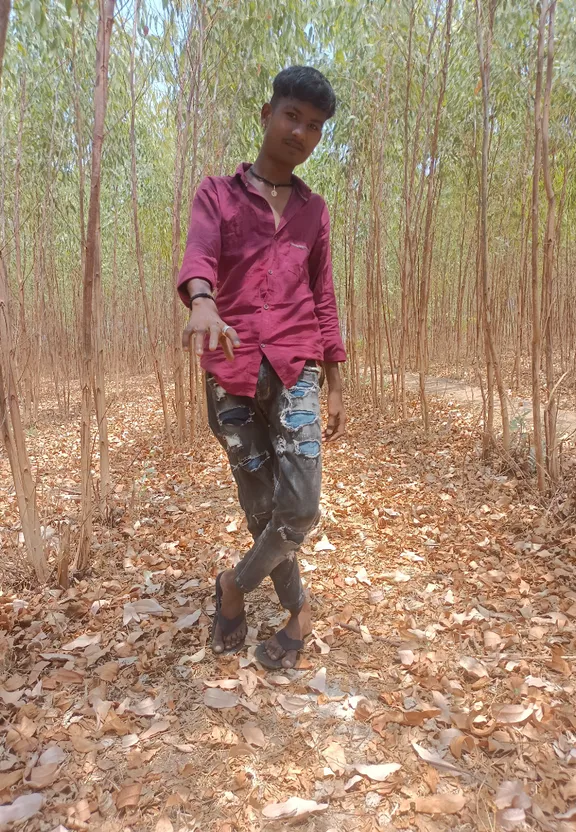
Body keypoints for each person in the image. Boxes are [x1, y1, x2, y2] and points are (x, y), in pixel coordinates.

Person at [177, 66, 346, 669]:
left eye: (315, 126)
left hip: (297, 363)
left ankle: (234, 587)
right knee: (259, 504)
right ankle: (298, 611)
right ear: (267, 114)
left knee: (298, 506)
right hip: (230, 365)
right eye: (292, 116)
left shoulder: (314, 211)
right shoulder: (217, 195)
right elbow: (198, 255)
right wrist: (202, 299)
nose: (300, 132)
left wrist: (335, 381)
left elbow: (323, 294)